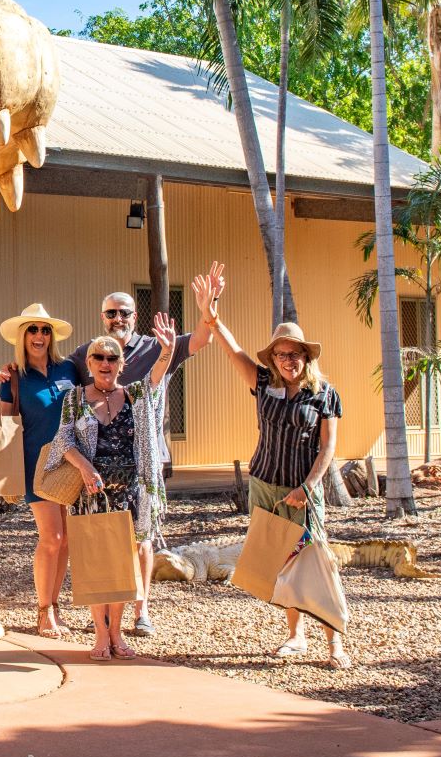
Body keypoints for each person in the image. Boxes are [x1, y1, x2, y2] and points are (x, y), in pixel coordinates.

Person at [66, 261, 224, 636]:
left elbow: (201, 340)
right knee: (102, 539)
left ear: (134, 315)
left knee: (142, 538)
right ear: (102, 317)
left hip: (145, 462)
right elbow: (60, 388)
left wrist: (207, 310)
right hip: (98, 466)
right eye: (110, 313)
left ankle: (141, 611)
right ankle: (105, 616)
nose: (117, 318)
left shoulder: (156, 348)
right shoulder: (87, 353)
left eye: (123, 312)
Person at [205, 278, 350, 669]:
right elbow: (233, 351)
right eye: (281, 354)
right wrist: (214, 320)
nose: (288, 360)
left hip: (302, 490)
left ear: (306, 356)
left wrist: (308, 487)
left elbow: (328, 447)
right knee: (284, 563)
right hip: (265, 487)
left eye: (295, 354)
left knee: (317, 561)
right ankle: (295, 635)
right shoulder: (263, 383)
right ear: (273, 358)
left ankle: (334, 642)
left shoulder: (324, 393)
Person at [50, 316, 177, 660]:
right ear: (88, 363)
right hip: (90, 493)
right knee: (93, 563)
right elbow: (63, 439)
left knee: (121, 565)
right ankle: (100, 634)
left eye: (112, 358)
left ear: (121, 364)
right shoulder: (75, 398)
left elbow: (157, 375)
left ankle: (117, 633)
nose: (105, 363)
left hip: (128, 493)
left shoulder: (135, 394)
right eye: (99, 357)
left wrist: (167, 349)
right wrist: (85, 467)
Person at [0, 303, 80, 638]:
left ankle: (55, 605)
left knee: (66, 543)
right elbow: (3, 424)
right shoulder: (13, 377)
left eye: (44, 330)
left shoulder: (69, 370)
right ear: (23, 336)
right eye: (32, 330)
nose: (39, 336)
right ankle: (43, 611)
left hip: (70, 463)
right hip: (35, 465)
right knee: (52, 538)